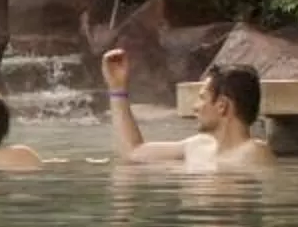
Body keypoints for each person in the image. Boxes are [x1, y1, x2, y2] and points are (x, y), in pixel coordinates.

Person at [101, 49, 272, 167]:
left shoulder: (254, 153)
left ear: (222, 106)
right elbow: (133, 153)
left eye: (201, 98)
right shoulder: (198, 146)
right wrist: (117, 89)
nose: (195, 107)